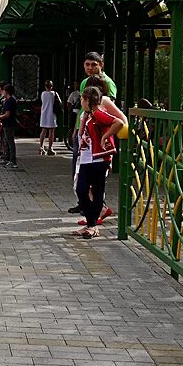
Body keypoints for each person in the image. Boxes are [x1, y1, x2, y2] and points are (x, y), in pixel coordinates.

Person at [68, 52, 117, 214]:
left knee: (96, 174)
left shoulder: (107, 83)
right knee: (80, 168)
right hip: (84, 133)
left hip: (97, 134)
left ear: (101, 65)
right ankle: (84, 202)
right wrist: (77, 129)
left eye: (94, 64)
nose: (90, 67)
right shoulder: (84, 82)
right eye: (87, 64)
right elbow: (84, 108)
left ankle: (97, 207)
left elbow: (111, 110)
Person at [73, 86, 123, 239]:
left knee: (97, 191)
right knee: (81, 189)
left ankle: (92, 225)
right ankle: (91, 222)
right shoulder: (88, 115)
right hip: (87, 158)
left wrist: (105, 136)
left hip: (99, 159)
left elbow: (118, 122)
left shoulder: (98, 114)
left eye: (82, 99)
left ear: (88, 100)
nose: (81, 102)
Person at [0, 83, 17, 168]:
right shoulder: (10, 100)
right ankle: (7, 158)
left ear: (6, 91)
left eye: (4, 91)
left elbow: (7, 114)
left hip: (8, 124)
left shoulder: (9, 101)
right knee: (6, 141)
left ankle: (12, 160)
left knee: (9, 142)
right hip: (8, 124)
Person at [39, 80, 59, 155]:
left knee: (43, 131)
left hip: (44, 114)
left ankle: (41, 147)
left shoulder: (43, 94)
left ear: (45, 86)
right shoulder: (53, 94)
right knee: (51, 132)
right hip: (51, 114)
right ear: (52, 86)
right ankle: (50, 148)